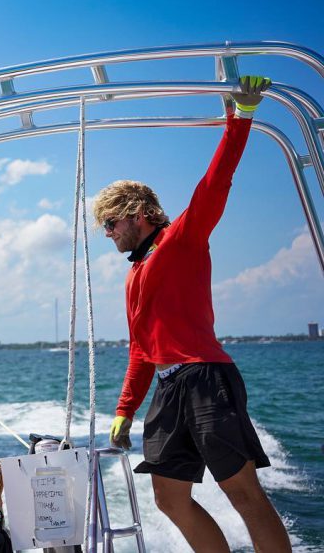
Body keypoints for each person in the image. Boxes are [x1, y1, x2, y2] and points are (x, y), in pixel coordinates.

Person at [93, 76, 291, 553]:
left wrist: (239, 117)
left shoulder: (181, 239)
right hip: (168, 386)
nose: (107, 233)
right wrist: (124, 410)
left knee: (242, 493)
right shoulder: (133, 273)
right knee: (169, 497)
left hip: (205, 378)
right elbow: (142, 347)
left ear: (137, 213)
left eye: (110, 223)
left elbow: (215, 181)